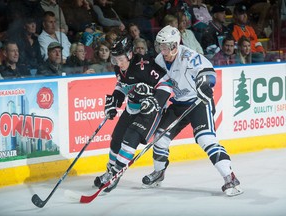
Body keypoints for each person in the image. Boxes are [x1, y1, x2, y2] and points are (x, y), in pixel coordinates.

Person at [141, 25, 243, 197]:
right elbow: (156, 81)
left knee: (206, 140)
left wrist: (205, 84)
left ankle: (230, 177)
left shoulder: (188, 56)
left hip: (198, 102)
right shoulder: (159, 59)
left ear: (175, 45)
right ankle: (159, 173)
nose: (162, 50)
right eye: (160, 46)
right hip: (179, 104)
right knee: (159, 138)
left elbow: (208, 72)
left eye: (165, 46)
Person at [93, 36, 173, 192]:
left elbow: (166, 84)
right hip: (132, 107)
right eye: (114, 60)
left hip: (150, 110)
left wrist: (155, 101)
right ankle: (111, 171)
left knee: (130, 138)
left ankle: (116, 173)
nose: (118, 63)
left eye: (121, 59)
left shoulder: (144, 65)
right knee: (116, 138)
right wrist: (114, 101)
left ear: (130, 54)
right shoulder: (118, 66)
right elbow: (122, 85)